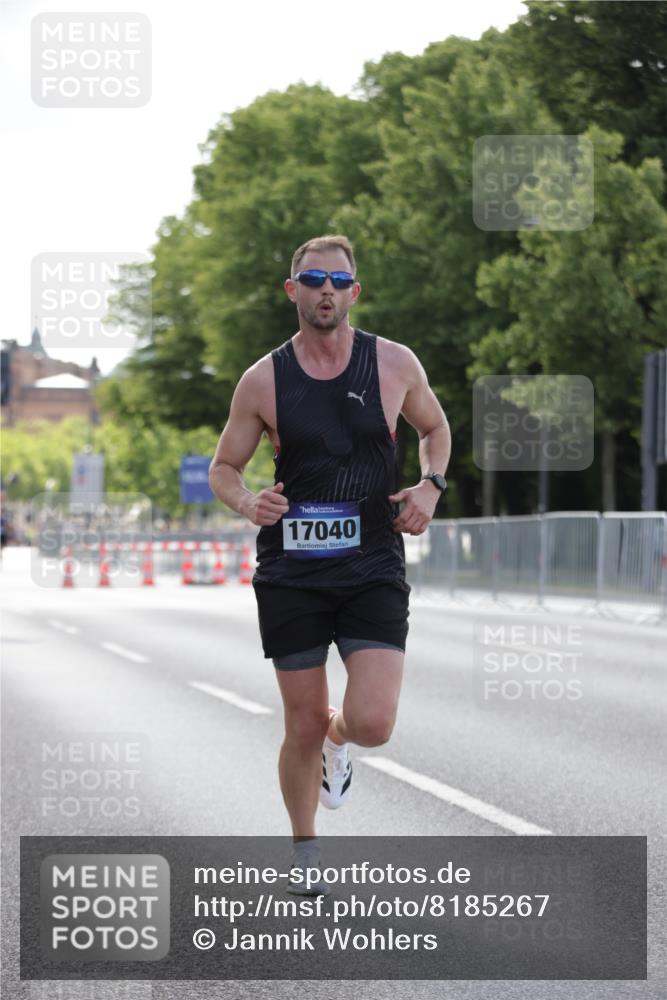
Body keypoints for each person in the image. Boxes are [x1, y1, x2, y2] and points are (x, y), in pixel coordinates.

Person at [209, 234, 450, 893]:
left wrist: (431, 485)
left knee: (369, 722)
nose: (326, 290)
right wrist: (245, 500)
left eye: (338, 281)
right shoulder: (263, 379)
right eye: (313, 279)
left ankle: (337, 748)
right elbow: (224, 466)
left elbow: (435, 428)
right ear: (293, 291)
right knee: (302, 721)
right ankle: (305, 849)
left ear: (354, 292)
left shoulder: (394, 364)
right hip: (292, 572)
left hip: (372, 562)